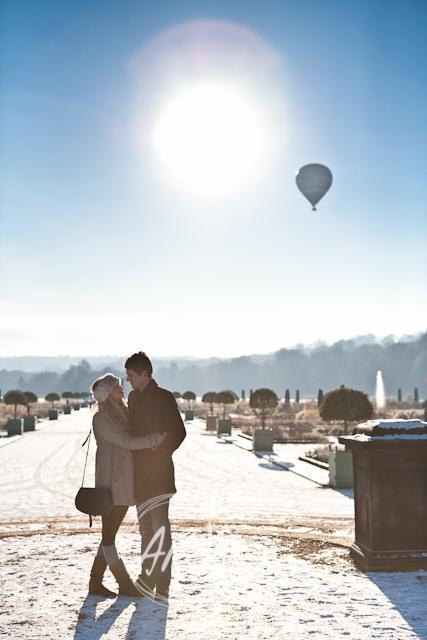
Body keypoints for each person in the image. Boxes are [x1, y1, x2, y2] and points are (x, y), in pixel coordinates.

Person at [88, 373, 168, 598]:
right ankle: (123, 582)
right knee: (109, 536)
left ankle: (95, 582)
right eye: (116, 387)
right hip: (111, 486)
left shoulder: (122, 413)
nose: (122, 389)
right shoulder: (101, 419)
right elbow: (126, 442)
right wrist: (155, 440)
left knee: (108, 535)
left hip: (123, 482)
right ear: (106, 394)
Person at [125, 351, 186, 602]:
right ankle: (146, 578)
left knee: (161, 530)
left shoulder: (164, 397)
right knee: (146, 530)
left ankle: (163, 585)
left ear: (145, 374)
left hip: (159, 475)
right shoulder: (132, 397)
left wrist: (158, 451)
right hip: (139, 475)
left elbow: (179, 432)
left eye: (131, 375)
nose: (128, 380)